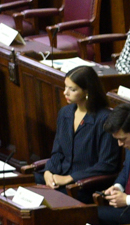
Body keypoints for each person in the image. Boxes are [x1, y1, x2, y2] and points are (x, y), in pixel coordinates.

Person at [41, 66, 120, 196]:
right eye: (65, 87)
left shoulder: (104, 119)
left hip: (84, 184)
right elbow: (57, 152)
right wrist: (48, 172)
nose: (65, 93)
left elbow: (107, 164)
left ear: (87, 91)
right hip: (60, 176)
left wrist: (70, 178)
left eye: (72, 89)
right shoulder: (65, 113)